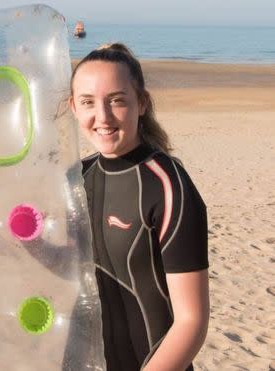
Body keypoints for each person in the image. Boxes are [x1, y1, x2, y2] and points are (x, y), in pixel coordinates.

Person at [68, 44, 209, 371]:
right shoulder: (75, 178)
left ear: (142, 103)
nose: (102, 117)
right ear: (73, 107)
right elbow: (70, 265)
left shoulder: (168, 185)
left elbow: (192, 322)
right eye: (88, 102)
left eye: (117, 100)